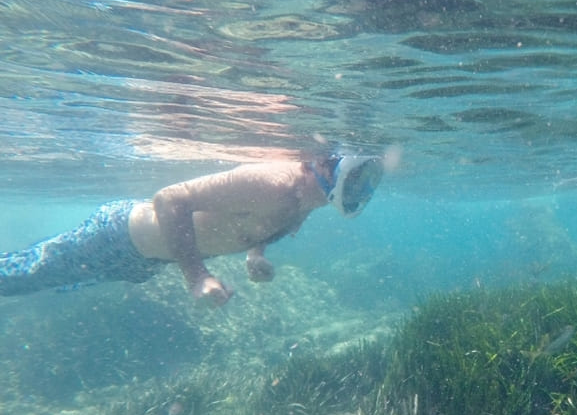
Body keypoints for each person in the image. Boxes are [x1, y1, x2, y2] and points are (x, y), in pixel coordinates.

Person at [0, 154, 384, 306]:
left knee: (49, 280)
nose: (361, 189)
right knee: (27, 274)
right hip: (118, 236)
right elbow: (170, 199)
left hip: (147, 262)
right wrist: (197, 275)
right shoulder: (275, 183)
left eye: (368, 182)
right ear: (330, 164)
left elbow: (256, 227)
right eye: (357, 179)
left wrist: (256, 256)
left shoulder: (308, 200)